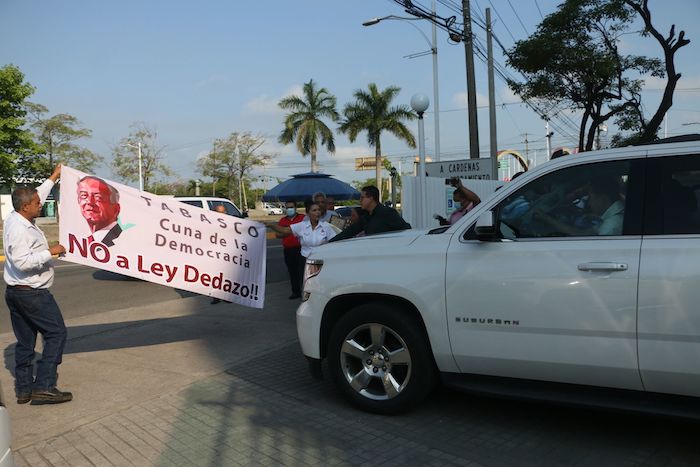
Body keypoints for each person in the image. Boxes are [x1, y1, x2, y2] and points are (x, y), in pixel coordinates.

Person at [4, 165, 73, 405]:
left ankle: (24, 390)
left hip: (17, 293)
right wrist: (51, 252)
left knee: (25, 342)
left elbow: (38, 194)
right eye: (36, 203)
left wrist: (54, 176)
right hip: (31, 294)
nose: (40, 204)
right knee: (57, 333)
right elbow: (23, 263)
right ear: (25, 207)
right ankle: (43, 386)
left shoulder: (16, 215)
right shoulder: (20, 231)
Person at [330, 185, 411, 242]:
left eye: (362, 197)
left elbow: (406, 229)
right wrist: (330, 242)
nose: (360, 201)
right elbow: (349, 231)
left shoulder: (387, 213)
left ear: (371, 198)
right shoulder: (366, 217)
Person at [268, 201, 336, 262]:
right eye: (314, 210)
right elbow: (285, 230)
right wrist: (271, 225)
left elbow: (335, 241)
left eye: (319, 210)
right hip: (305, 260)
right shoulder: (302, 226)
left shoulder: (326, 226)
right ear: (308, 213)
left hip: (322, 260)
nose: (317, 212)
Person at [77, 176, 121, 246]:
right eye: (84, 195)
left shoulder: (122, 240)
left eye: (98, 197)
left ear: (116, 209)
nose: (89, 202)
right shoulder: (82, 240)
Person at [277, 200, 306, 299]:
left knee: (303, 271)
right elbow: (278, 234)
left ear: (295, 207)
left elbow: (305, 230)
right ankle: (296, 292)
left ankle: (306, 291)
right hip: (288, 250)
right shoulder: (282, 220)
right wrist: (291, 232)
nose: (289, 209)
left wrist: (287, 231)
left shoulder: (302, 218)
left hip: (301, 249)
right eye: (288, 207)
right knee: (292, 271)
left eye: (291, 207)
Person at [210, 204, 229, 305]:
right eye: (218, 212)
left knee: (227, 275)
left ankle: (227, 296)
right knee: (215, 276)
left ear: (226, 213)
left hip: (227, 255)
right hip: (213, 254)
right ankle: (216, 296)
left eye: (222, 212)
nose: (220, 215)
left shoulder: (232, 224)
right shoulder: (209, 224)